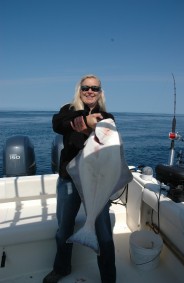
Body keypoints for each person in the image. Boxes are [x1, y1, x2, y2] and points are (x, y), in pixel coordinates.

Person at [43, 74, 116, 283]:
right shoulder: (68, 110)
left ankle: (109, 278)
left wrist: (91, 127)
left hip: (97, 182)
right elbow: (58, 124)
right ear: (79, 89)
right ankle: (61, 268)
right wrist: (84, 120)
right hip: (69, 179)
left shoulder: (107, 116)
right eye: (86, 87)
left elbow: (108, 142)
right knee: (63, 228)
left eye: (95, 88)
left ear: (100, 92)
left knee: (104, 234)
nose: (90, 91)